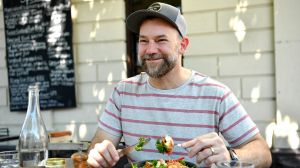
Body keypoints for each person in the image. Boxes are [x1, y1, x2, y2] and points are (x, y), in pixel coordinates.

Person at [87, 2, 272, 168]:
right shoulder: (123, 92)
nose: (150, 50)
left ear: (183, 45)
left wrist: (231, 157)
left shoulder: (215, 94)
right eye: (144, 41)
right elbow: (99, 143)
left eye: (161, 40)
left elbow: (262, 153)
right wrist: (98, 152)